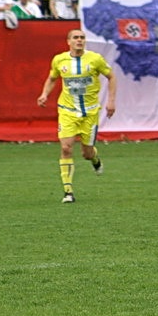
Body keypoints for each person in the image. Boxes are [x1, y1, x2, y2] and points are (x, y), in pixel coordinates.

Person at [37, 29, 117, 203]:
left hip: (90, 112)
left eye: (82, 37)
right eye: (76, 38)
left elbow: (111, 77)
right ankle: (68, 192)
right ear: (69, 41)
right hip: (67, 111)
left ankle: (95, 159)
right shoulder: (59, 60)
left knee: (86, 153)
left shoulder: (95, 59)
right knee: (66, 148)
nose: (79, 40)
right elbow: (52, 78)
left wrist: (111, 101)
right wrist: (45, 94)